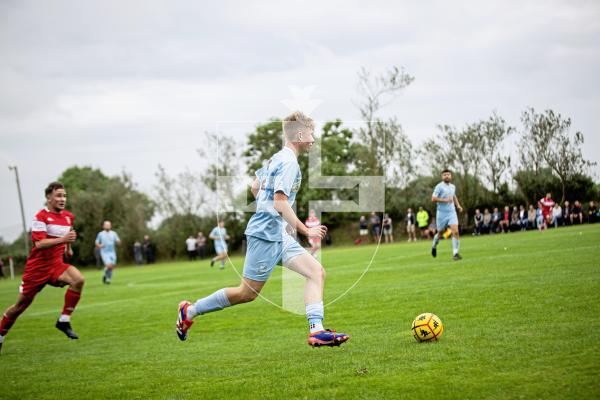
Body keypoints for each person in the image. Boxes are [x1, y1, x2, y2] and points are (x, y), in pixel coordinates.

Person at [176, 111, 349, 348]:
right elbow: (279, 201)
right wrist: (305, 230)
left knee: (315, 272)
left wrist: (274, 217)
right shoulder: (288, 163)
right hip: (264, 237)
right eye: (310, 133)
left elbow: (255, 188)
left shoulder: (275, 158)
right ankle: (190, 311)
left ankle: (316, 330)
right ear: (299, 133)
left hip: (277, 234)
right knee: (246, 294)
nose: (313, 139)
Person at [0, 182, 84, 355]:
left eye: (64, 196)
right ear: (49, 198)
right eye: (59, 195)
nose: (62, 199)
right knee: (19, 307)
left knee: (78, 280)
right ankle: (0, 336)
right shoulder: (41, 217)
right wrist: (63, 240)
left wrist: (68, 248)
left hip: (56, 265)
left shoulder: (68, 217)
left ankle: (63, 320)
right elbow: (39, 244)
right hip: (37, 269)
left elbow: (68, 233)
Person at [431, 169, 464, 261]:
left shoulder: (453, 186)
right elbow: (433, 199)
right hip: (441, 213)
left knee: (455, 231)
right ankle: (434, 245)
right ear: (442, 177)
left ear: (451, 176)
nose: (447, 176)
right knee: (440, 233)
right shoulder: (439, 187)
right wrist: (445, 200)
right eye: (445, 175)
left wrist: (458, 205)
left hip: (451, 212)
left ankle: (455, 253)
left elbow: (453, 196)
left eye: (448, 174)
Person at [96, 220, 121, 285]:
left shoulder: (114, 233)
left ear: (110, 226)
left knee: (112, 266)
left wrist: (118, 242)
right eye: (106, 225)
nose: (107, 226)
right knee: (109, 265)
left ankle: (107, 278)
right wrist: (100, 245)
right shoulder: (100, 234)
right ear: (103, 226)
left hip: (112, 252)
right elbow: (96, 242)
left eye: (109, 225)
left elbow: (118, 240)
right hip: (104, 252)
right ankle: (108, 278)